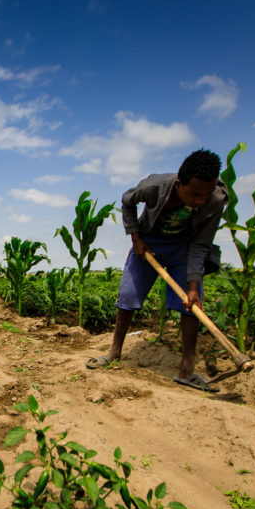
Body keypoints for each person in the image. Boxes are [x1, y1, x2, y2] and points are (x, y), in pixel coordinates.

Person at [86, 149, 227, 392]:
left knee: (191, 305)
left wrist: (193, 286)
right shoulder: (154, 186)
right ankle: (114, 352)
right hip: (150, 244)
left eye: (205, 194)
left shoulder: (215, 199)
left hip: (184, 248)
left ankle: (187, 370)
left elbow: (200, 244)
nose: (199, 201)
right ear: (179, 183)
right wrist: (136, 238)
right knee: (128, 296)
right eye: (194, 194)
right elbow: (127, 201)